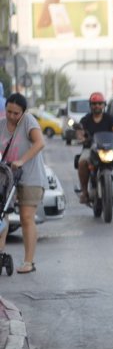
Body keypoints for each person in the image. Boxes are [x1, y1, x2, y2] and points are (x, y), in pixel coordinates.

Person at [0, 93, 46, 274]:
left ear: (23, 112)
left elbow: (40, 143)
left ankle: (29, 262)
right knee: (2, 214)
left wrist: (21, 160)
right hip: (8, 178)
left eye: (15, 113)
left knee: (26, 217)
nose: (11, 116)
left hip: (30, 176)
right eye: (9, 111)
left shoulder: (29, 121)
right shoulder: (2, 125)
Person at [76, 92, 113, 204]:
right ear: (90, 105)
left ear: (104, 105)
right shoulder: (86, 119)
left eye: (99, 103)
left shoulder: (110, 118)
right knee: (82, 162)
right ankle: (84, 192)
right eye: (94, 103)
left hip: (109, 149)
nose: (97, 106)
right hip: (90, 149)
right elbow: (80, 132)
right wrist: (81, 137)